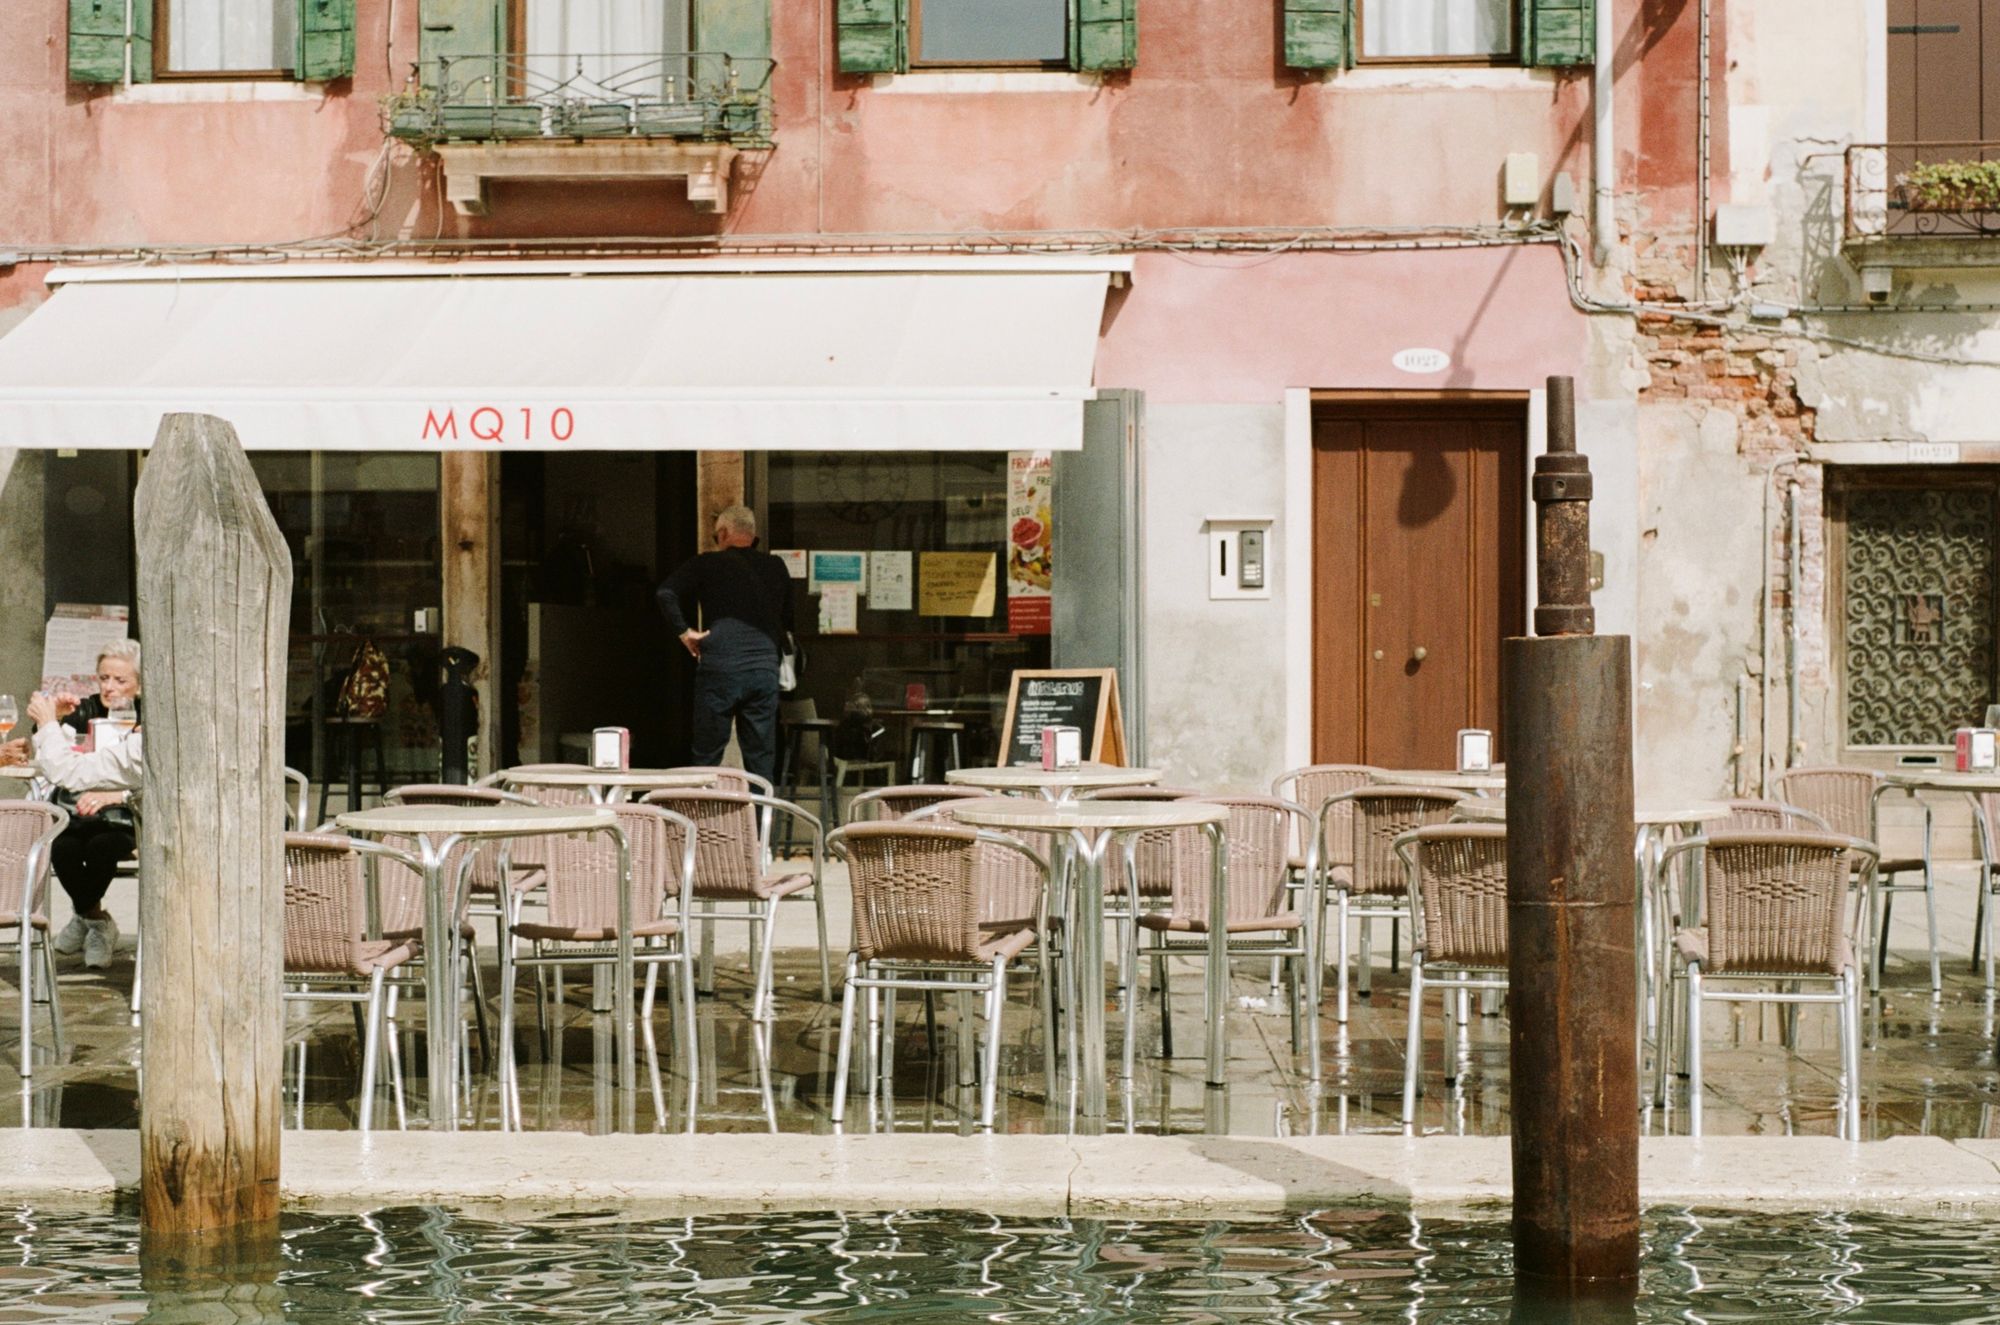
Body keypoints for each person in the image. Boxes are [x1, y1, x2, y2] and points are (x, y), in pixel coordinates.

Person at [0, 640, 144, 969]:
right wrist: (56, 719)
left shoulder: (148, 719)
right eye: (104, 678)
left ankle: (86, 920)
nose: (109, 687)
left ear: (139, 683)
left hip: (125, 816)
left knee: (101, 847)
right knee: (61, 846)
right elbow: (55, 759)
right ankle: (96, 919)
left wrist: (113, 796)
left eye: (120, 680)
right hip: (78, 811)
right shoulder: (84, 708)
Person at [655, 505, 793, 787]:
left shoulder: (706, 564)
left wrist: (685, 632)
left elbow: (665, 592)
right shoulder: (776, 567)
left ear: (724, 533)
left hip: (720, 667)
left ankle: (701, 825)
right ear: (752, 535)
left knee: (706, 756)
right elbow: (789, 617)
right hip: (763, 669)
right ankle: (760, 827)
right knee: (761, 758)